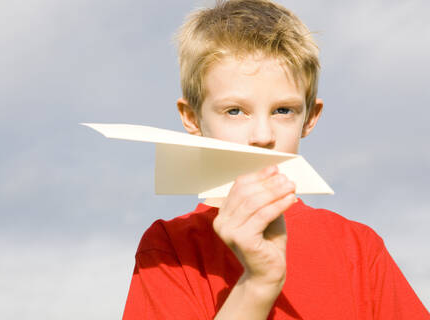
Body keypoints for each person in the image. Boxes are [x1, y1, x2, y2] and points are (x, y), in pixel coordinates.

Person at [122, 0, 429, 319]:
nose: (262, 135)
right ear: (192, 118)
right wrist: (257, 283)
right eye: (235, 111)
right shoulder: (170, 249)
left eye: (283, 111)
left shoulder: (359, 249)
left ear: (310, 118)